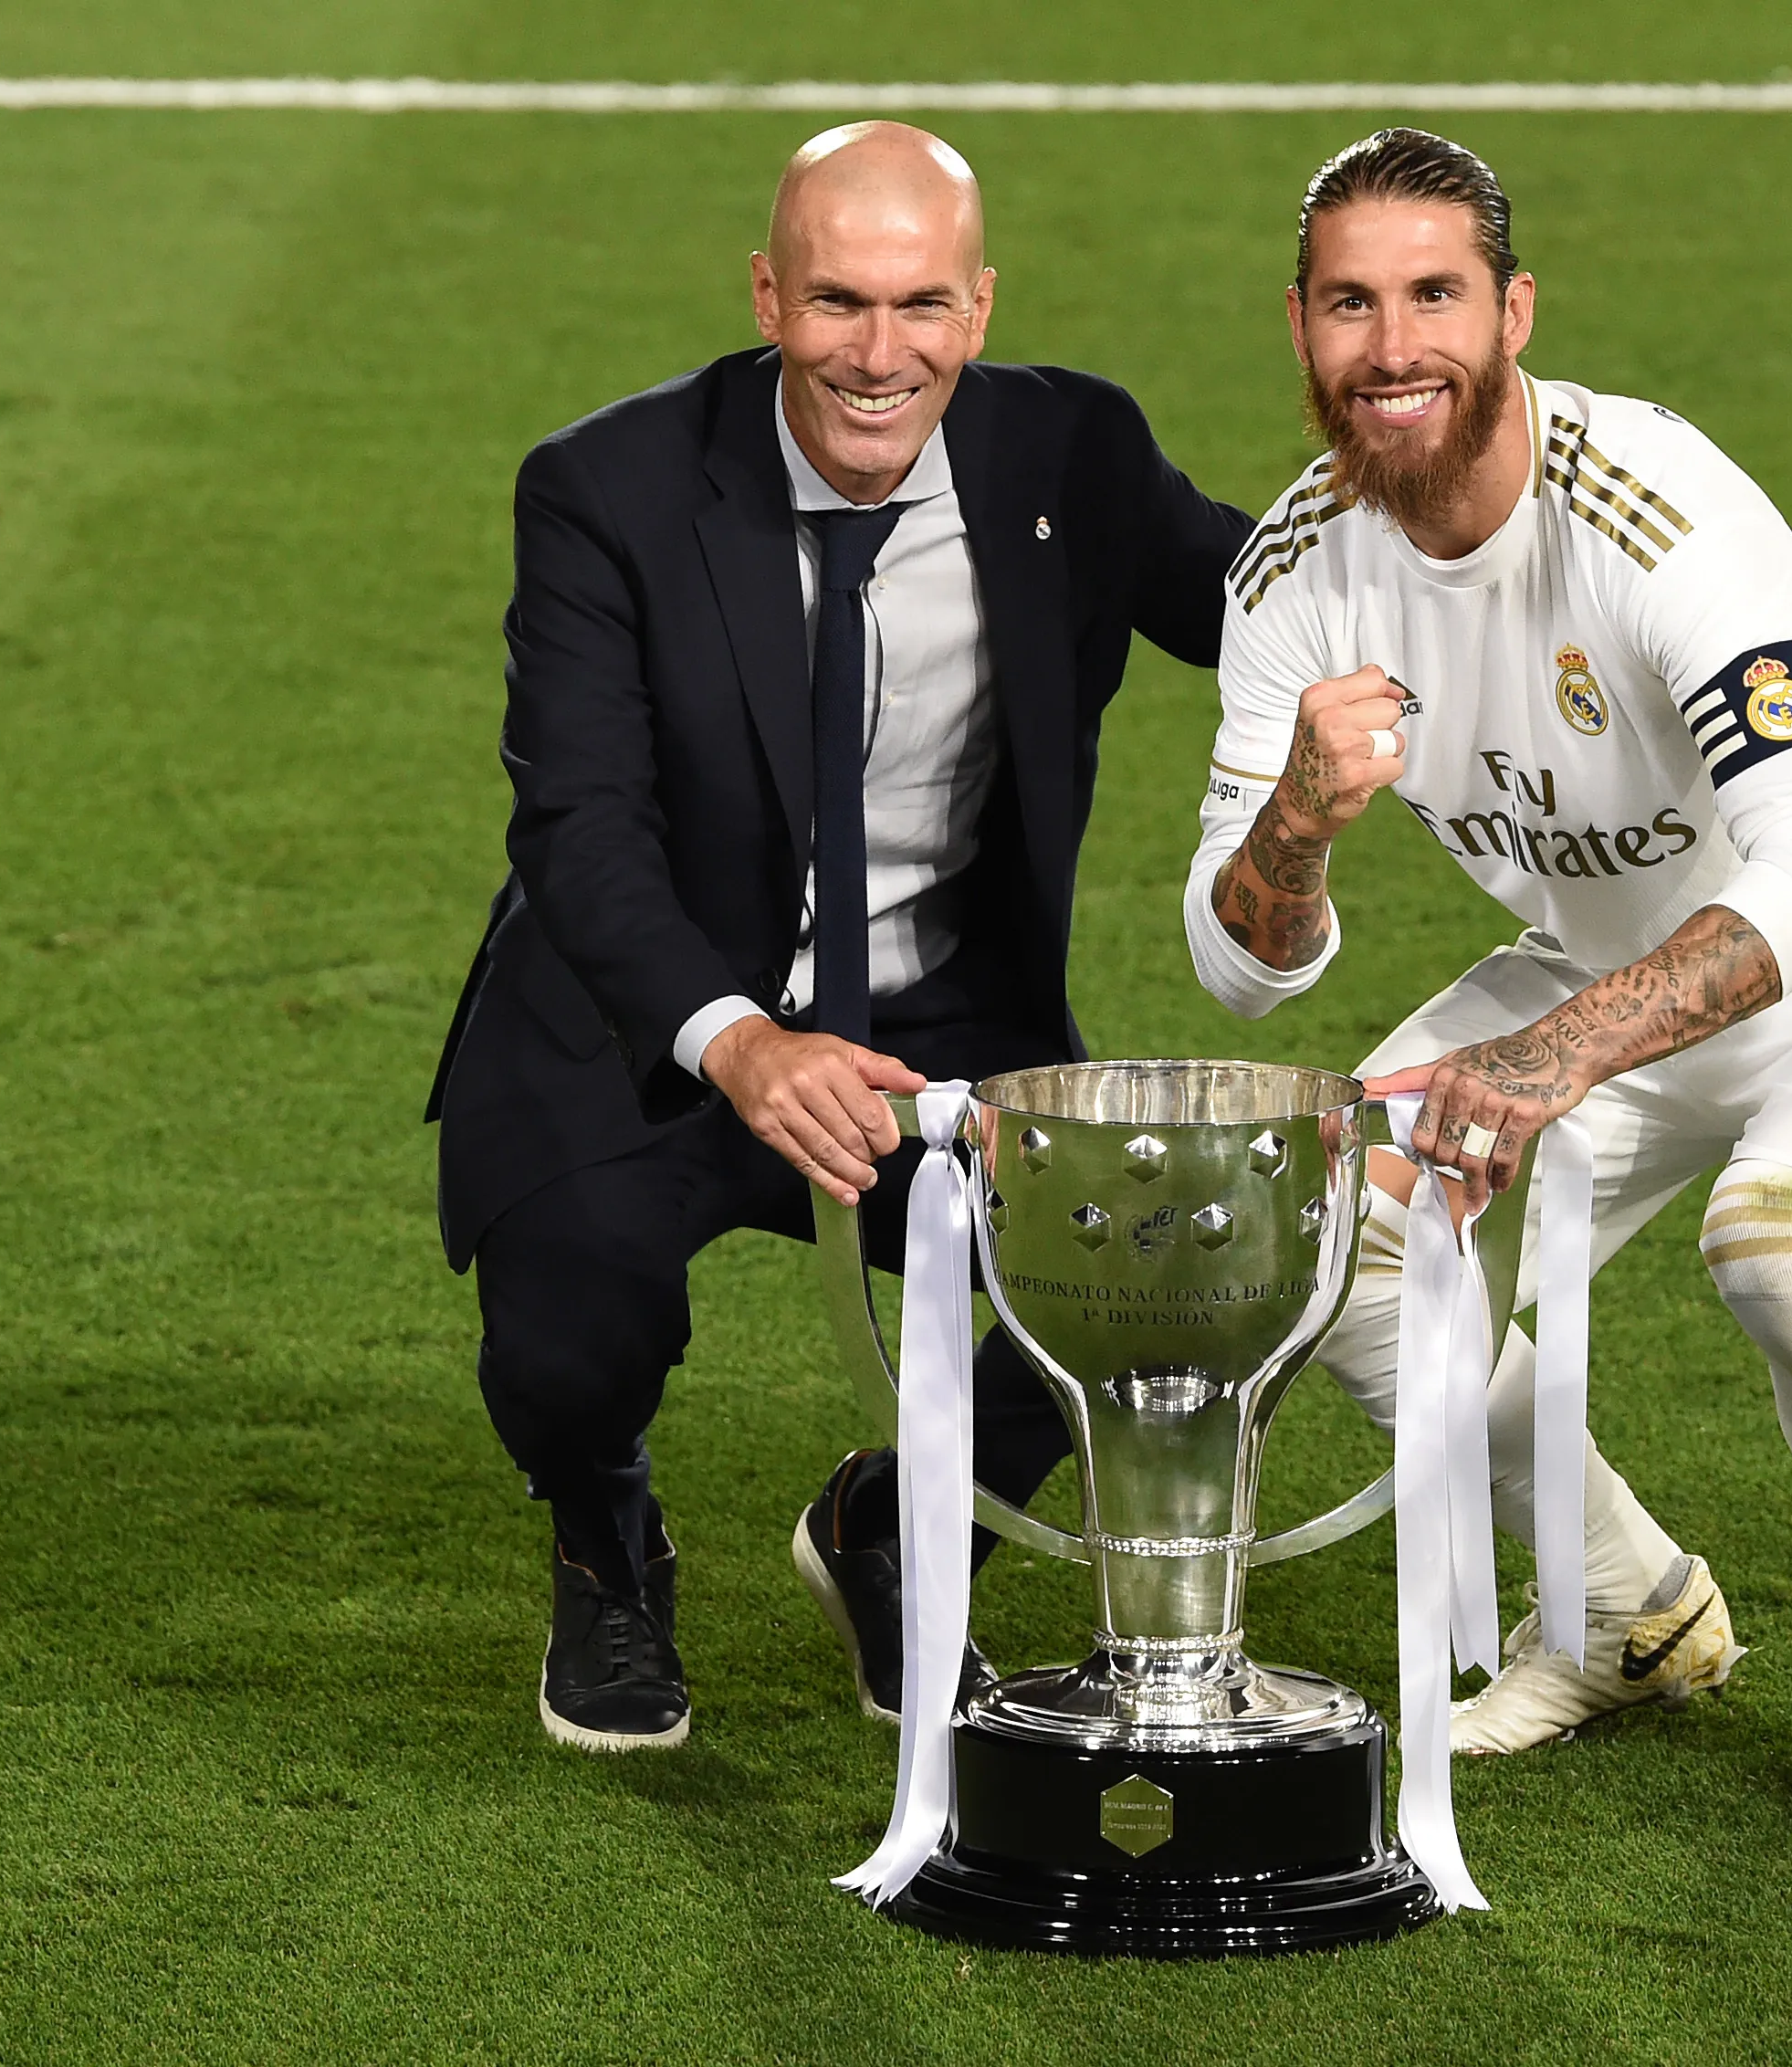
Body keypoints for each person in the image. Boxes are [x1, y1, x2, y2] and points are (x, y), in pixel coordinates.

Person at [1184, 130, 1792, 1833]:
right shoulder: (1292, 577)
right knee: (1324, 1221)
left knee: (1782, 1243)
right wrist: (1293, 820)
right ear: (1298, 328)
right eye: (1350, 305)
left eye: (1435, 295)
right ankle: (1621, 1608)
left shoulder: (1649, 505)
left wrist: (1561, 1049)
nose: (1393, 346)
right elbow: (1241, 974)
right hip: (1602, 980)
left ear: (1512, 311)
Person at [428, 122, 1252, 1752]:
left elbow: (1270, 602)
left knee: (1134, 1285)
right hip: (649, 1011)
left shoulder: (1068, 454)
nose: (880, 355)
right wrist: (736, 1038)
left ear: (981, 304)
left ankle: (887, 1530)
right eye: (836, 304)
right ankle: (606, 1546)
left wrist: (1473, 571)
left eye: (922, 305)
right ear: (765, 295)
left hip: (937, 1011)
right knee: (567, 1336)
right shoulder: (606, 488)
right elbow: (577, 826)